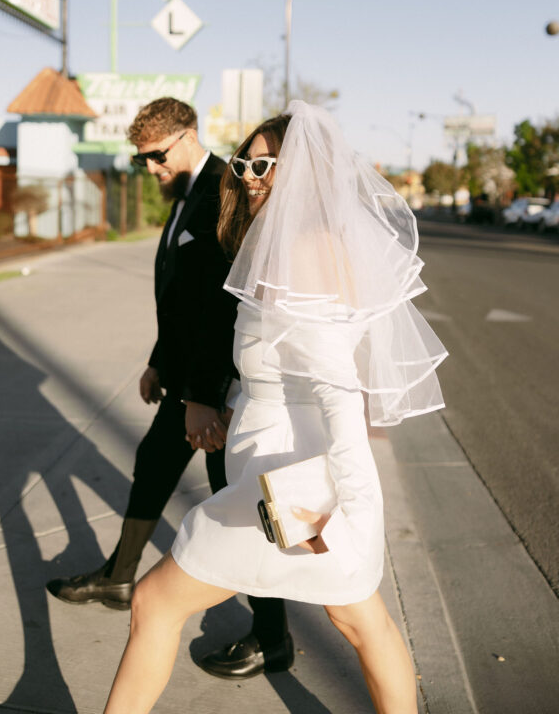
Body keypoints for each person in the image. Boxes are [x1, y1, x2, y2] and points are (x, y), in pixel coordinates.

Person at [103, 101, 447, 714]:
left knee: (155, 603)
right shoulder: (297, 244)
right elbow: (285, 368)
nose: (251, 177)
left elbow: (337, 385)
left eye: (267, 166)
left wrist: (353, 499)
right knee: (361, 621)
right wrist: (242, 399)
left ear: (309, 173)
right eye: (246, 164)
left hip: (288, 485)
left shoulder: (305, 252)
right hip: (291, 469)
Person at [47, 97, 291, 677]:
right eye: (140, 162)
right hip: (183, 376)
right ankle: (119, 576)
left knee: (236, 504)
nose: (151, 169)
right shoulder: (185, 197)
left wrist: (202, 398)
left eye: (156, 157)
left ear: (187, 138)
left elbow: (215, 309)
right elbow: (179, 298)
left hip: (211, 387)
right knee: (154, 463)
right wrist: (159, 361)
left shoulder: (220, 191)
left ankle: (271, 634)